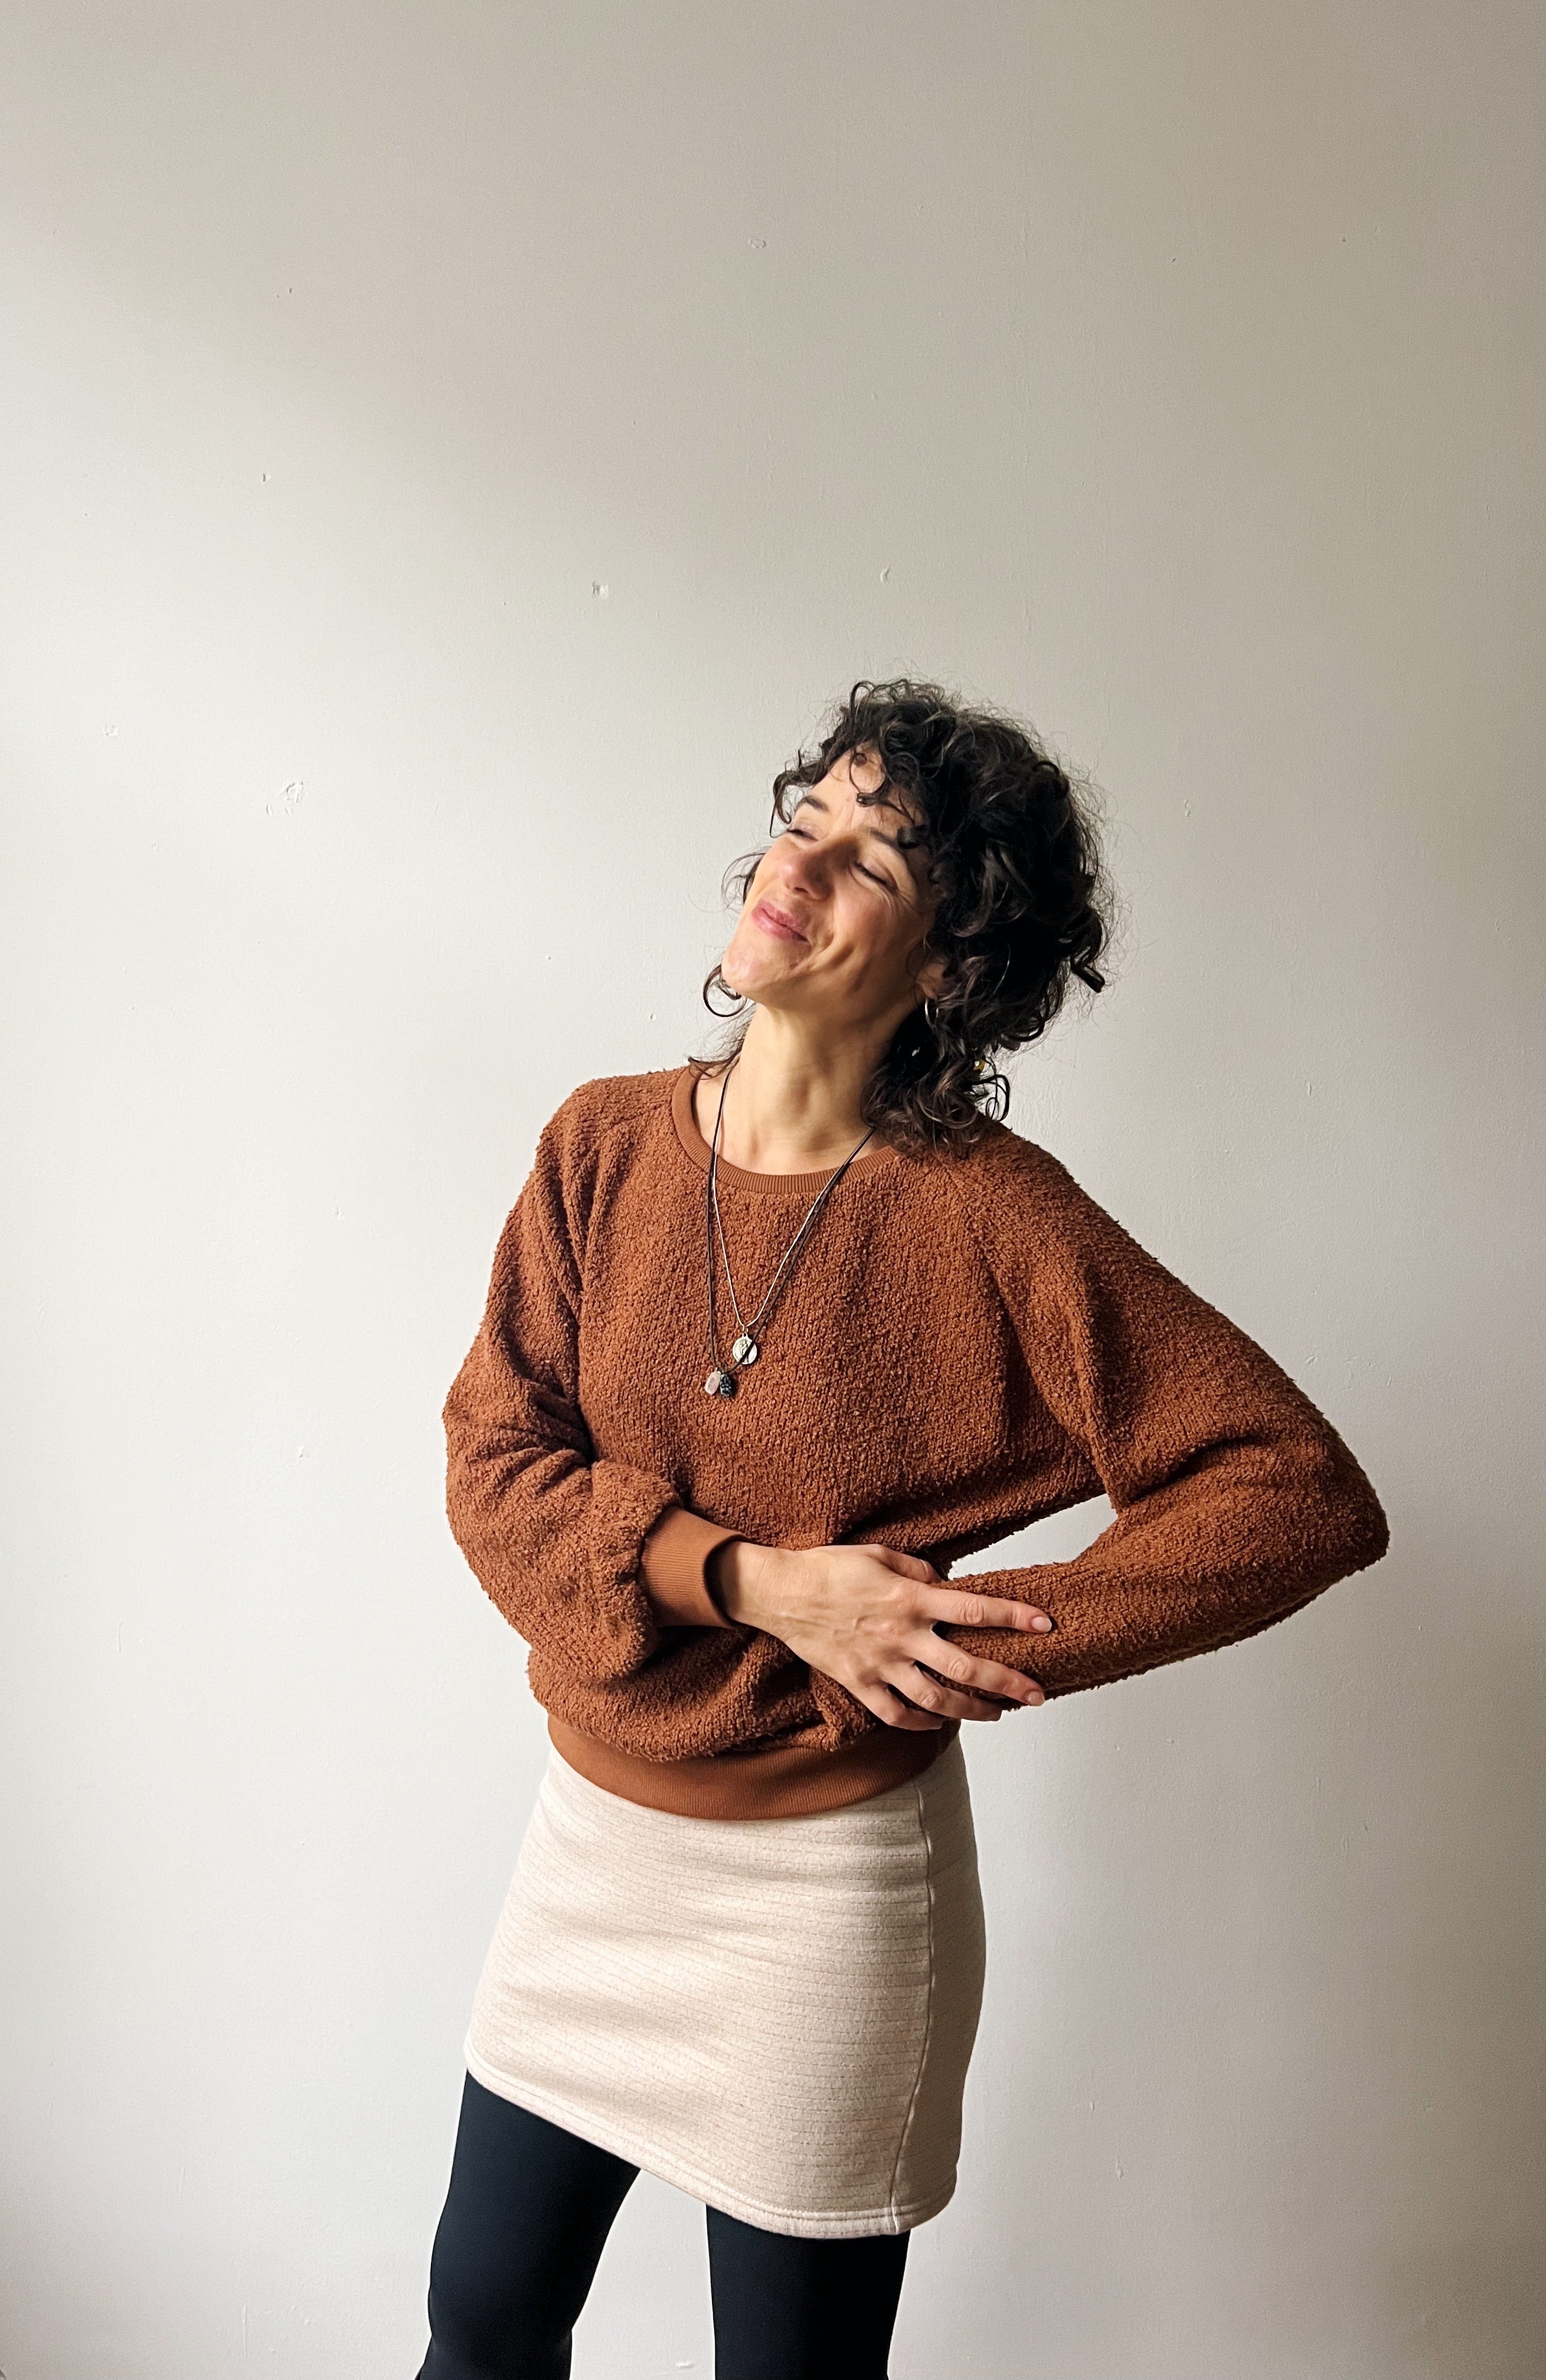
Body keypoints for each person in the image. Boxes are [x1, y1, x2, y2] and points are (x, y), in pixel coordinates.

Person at [413, 678, 1390, 2379]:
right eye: (809, 816)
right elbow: (494, 1463)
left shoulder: (988, 1218)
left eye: (876, 858)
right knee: (482, 2322)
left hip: (822, 1899)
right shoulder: (601, 1144)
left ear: (946, 966)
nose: (807, 858)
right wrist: (749, 1583)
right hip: (591, 1852)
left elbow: (1291, 1489)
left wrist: (961, 1641)